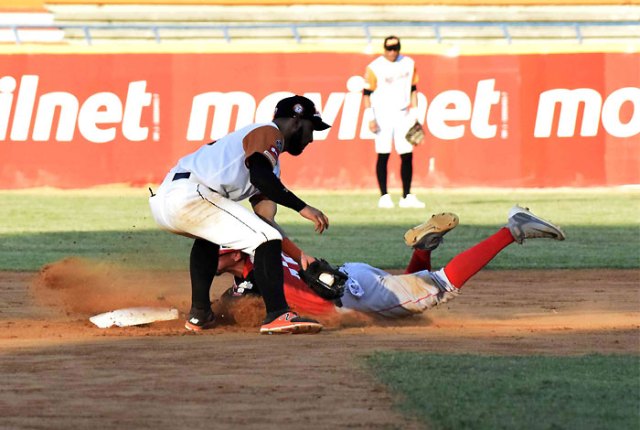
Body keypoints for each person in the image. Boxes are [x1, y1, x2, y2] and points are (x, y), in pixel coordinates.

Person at [149, 95, 332, 334]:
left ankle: (200, 314)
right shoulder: (269, 132)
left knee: (215, 236)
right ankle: (278, 314)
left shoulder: (270, 163)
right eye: (311, 128)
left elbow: (264, 219)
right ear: (297, 121)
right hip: (188, 194)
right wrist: (303, 207)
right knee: (264, 238)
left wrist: (299, 256)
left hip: (172, 198)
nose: (311, 138)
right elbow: (259, 178)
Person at [216, 206, 566, 318]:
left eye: (215, 250)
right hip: (351, 274)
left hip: (352, 295)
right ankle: (424, 247)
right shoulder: (263, 252)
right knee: (408, 294)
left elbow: (227, 309)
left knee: (441, 285)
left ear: (233, 253)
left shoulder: (249, 282)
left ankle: (511, 229)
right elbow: (266, 221)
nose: (208, 257)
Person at [363, 35, 425, 210]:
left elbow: (413, 89)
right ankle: (384, 196)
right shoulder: (375, 67)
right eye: (389, 49)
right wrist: (370, 117)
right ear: (384, 49)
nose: (392, 52)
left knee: (407, 154)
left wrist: (415, 114)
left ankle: (407, 195)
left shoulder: (409, 63)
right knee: (383, 154)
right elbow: (366, 93)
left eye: (395, 48)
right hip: (382, 114)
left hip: (403, 113)